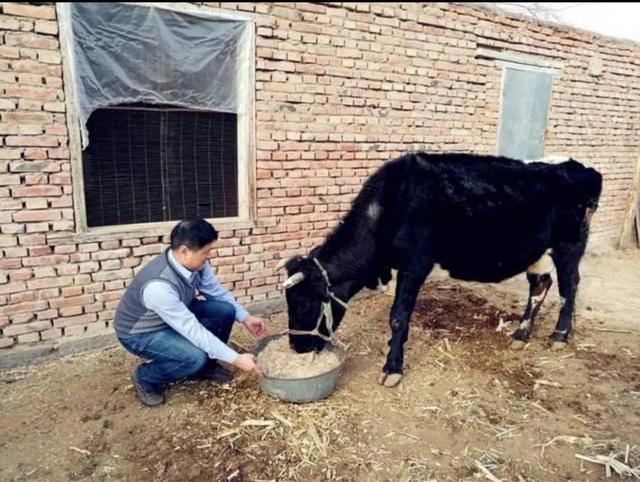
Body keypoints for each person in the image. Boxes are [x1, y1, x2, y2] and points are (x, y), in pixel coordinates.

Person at [114, 218, 268, 406]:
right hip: (141, 333)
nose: (208, 256)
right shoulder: (158, 286)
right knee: (194, 357)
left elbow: (216, 292)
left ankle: (207, 367)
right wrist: (236, 359)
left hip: (177, 314)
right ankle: (145, 377)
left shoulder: (197, 264)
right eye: (206, 252)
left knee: (224, 311)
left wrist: (245, 317)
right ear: (185, 251)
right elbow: (191, 329)